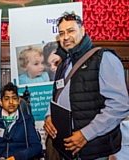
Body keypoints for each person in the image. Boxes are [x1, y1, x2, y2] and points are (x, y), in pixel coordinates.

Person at [43, 11, 129, 160]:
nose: (66, 37)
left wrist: (85, 134)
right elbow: (57, 96)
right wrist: (49, 115)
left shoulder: (103, 58)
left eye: (71, 31)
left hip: (93, 148)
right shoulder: (63, 63)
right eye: (62, 33)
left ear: (82, 30)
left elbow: (120, 105)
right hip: (67, 146)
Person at [0, 82, 42, 160]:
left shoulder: (26, 120)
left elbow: (36, 147)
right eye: (6, 99)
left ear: (19, 100)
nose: (11, 102)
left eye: (14, 98)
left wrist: (17, 157)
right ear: (0, 102)